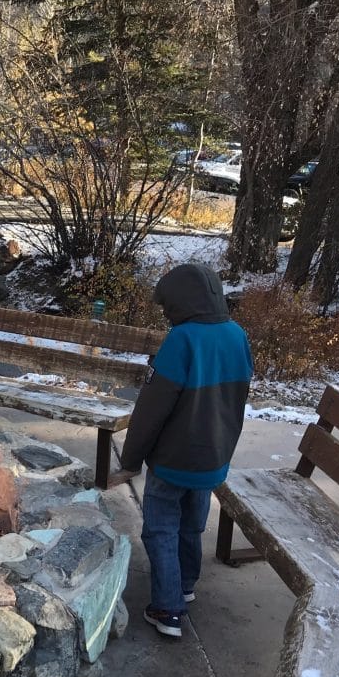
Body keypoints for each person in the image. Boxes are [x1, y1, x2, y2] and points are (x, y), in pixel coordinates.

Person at [114, 262, 253, 639]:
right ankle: (186, 585)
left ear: (181, 301)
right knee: (192, 524)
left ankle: (167, 609)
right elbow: (236, 400)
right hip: (213, 458)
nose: (166, 313)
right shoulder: (238, 336)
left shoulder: (183, 339)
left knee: (160, 530)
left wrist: (131, 458)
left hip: (173, 460)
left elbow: (151, 409)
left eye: (167, 306)